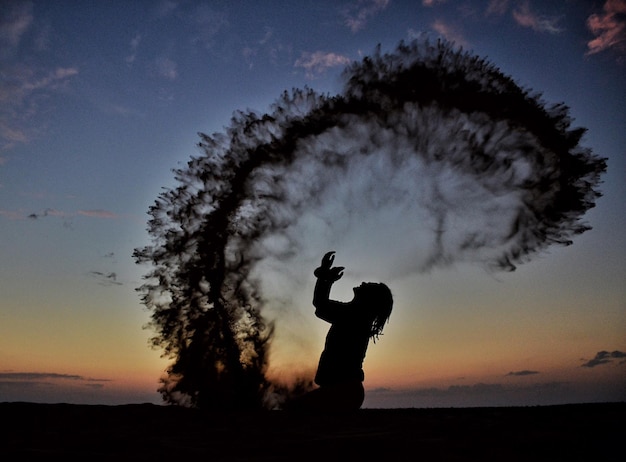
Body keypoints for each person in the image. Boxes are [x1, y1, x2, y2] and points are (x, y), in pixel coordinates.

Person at [290, 251, 393, 411]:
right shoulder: (353, 315)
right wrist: (325, 277)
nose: (364, 283)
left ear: (369, 300)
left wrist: (325, 277)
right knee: (295, 408)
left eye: (369, 286)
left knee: (294, 409)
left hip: (343, 392)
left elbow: (320, 304)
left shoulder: (354, 316)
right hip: (343, 391)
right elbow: (320, 305)